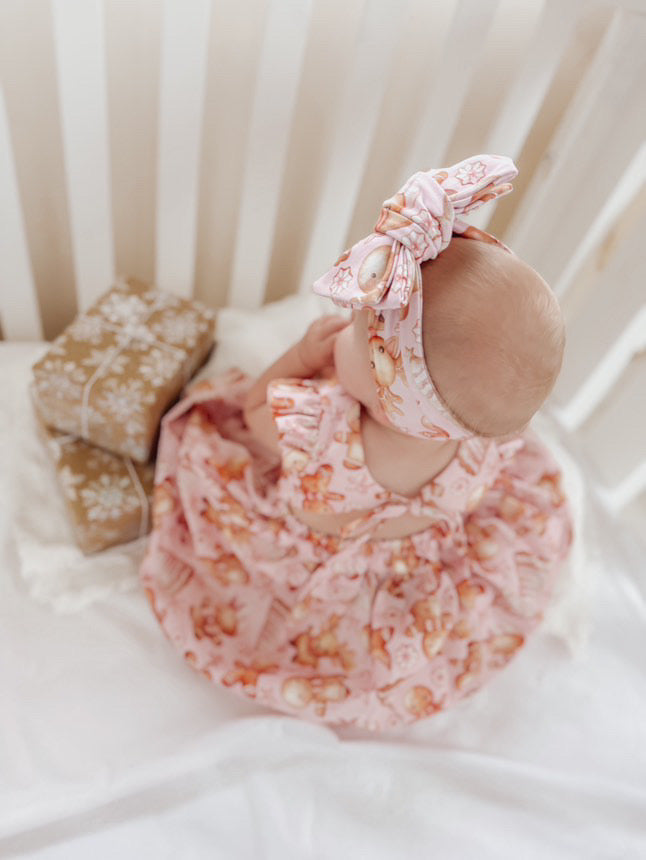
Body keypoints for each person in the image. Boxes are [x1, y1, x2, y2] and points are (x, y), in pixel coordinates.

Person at [140, 154, 573, 732]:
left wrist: (297, 358)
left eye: (358, 330)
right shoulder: (483, 440)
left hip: (315, 559)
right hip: (408, 567)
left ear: (389, 398)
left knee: (212, 444)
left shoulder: (322, 432)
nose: (342, 324)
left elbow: (253, 414)